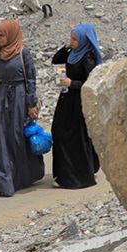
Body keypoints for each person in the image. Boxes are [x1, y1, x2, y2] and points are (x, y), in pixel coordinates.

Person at [0, 19, 44, 198]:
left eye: (2, 35)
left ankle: (20, 178)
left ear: (11, 35)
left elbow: (31, 79)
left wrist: (31, 103)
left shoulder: (23, 52)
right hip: (2, 98)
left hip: (19, 100)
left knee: (16, 138)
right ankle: (1, 184)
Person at [50, 23, 102, 189]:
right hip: (68, 99)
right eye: (71, 38)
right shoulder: (73, 53)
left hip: (79, 101)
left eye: (75, 39)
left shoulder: (87, 58)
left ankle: (77, 175)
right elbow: (56, 59)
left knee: (75, 136)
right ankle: (64, 172)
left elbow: (92, 82)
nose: (72, 41)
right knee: (58, 130)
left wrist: (72, 83)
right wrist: (67, 46)